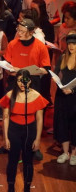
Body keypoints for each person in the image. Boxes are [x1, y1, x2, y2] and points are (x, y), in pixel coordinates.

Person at [0, 69, 47, 192]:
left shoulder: (36, 96)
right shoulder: (10, 95)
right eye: (19, 80)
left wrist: (37, 139)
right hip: (14, 130)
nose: (22, 83)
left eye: (25, 80)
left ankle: (27, 188)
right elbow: (5, 118)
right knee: (12, 161)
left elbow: (40, 119)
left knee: (28, 161)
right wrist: (5, 138)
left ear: (29, 81)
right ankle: (11, 187)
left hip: (29, 131)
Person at [5, 19, 50, 92]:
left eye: (22, 31)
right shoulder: (12, 44)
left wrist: (21, 71)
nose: (19, 33)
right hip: (14, 81)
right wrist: (11, 71)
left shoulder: (41, 46)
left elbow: (45, 70)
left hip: (32, 82)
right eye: (18, 30)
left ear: (31, 32)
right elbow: (6, 66)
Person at [53, 32, 76, 165]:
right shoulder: (62, 57)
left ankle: (74, 153)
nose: (71, 46)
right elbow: (56, 74)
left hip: (74, 97)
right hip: (62, 96)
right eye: (69, 44)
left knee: (74, 124)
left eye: (74, 44)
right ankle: (65, 152)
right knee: (62, 123)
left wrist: (72, 90)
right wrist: (60, 85)